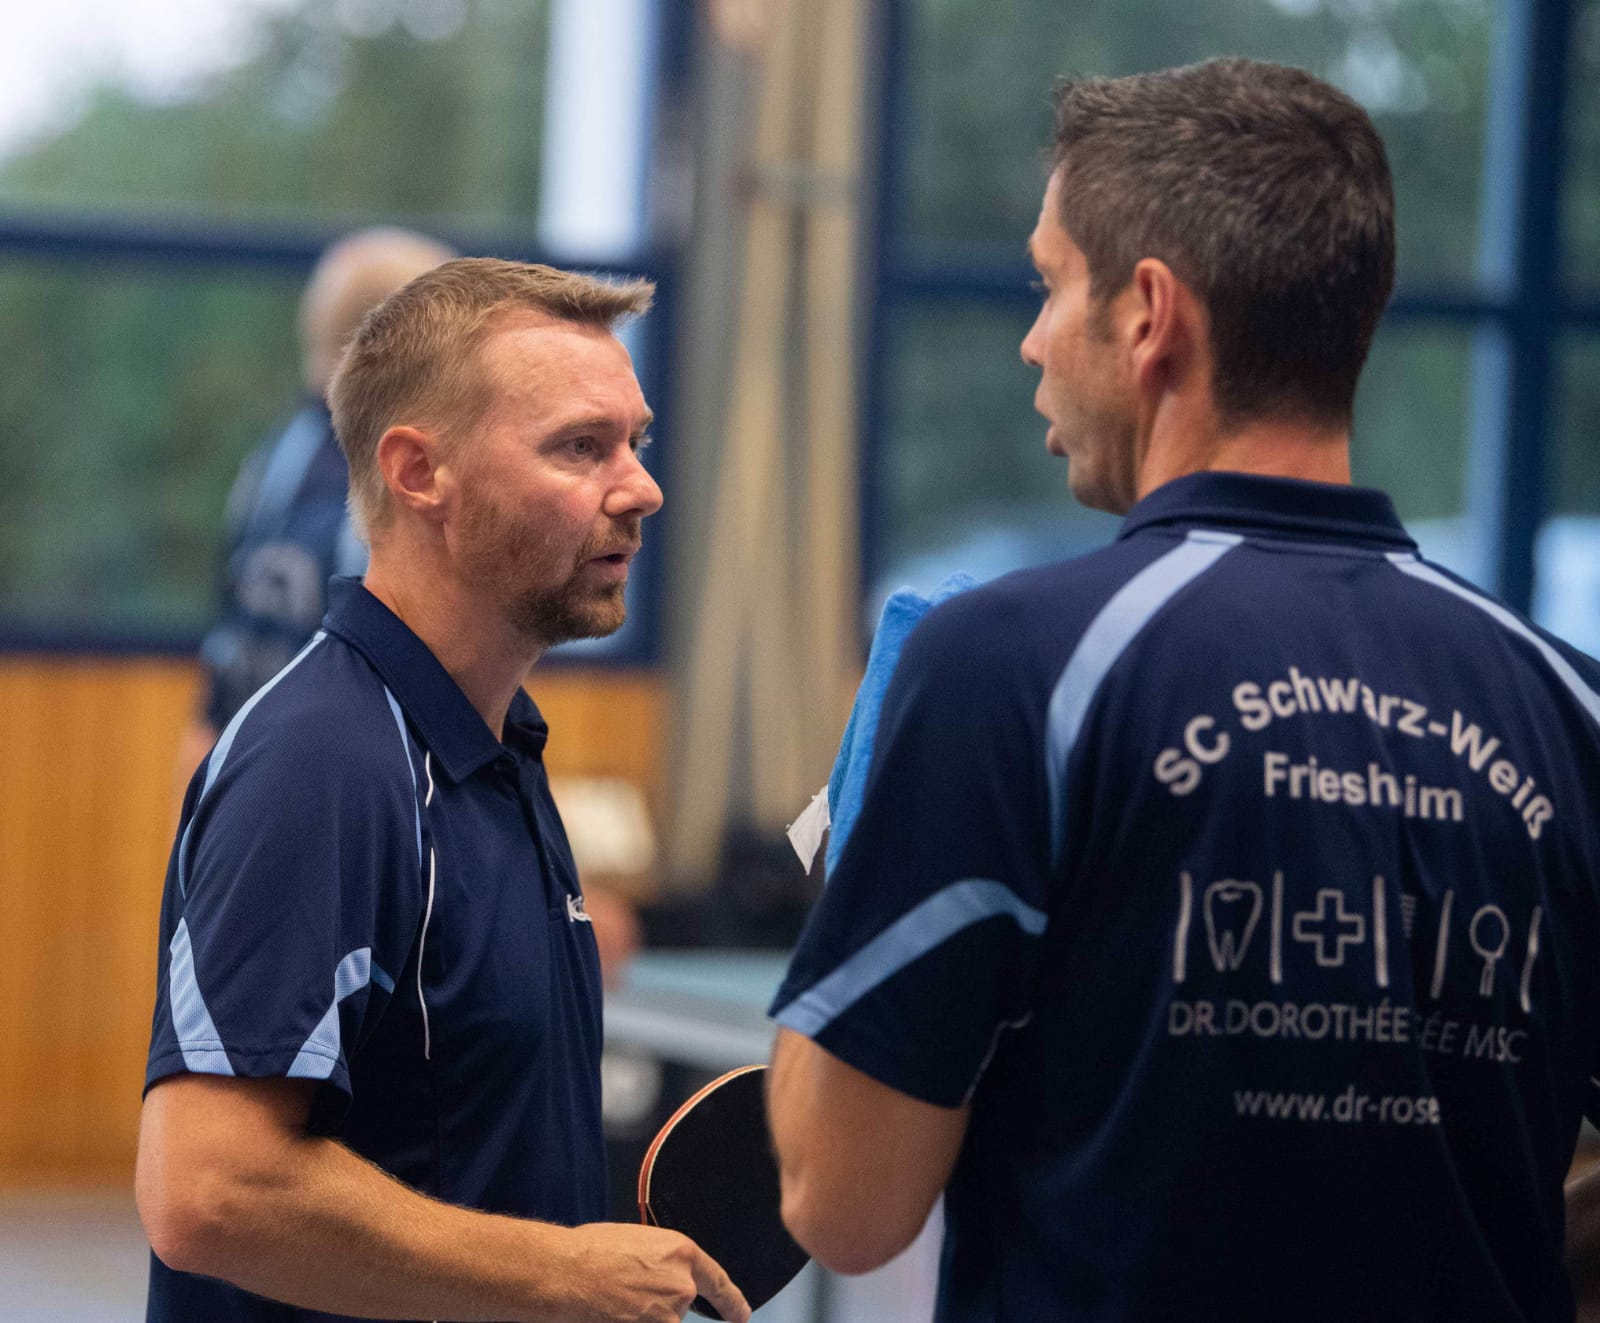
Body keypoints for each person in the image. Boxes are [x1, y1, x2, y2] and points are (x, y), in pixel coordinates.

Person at [765, 58, 1600, 1322]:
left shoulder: (1010, 669)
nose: (1033, 340)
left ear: (1150, 315)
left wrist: (864, 853)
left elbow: (843, 1203)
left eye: (1050, 285)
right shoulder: (1567, 704)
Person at [137, 258, 749, 1323]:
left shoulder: (493, 744)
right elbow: (210, 1191)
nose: (639, 487)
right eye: (580, 446)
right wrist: (561, 1273)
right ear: (420, 471)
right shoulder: (322, 765)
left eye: (636, 442)